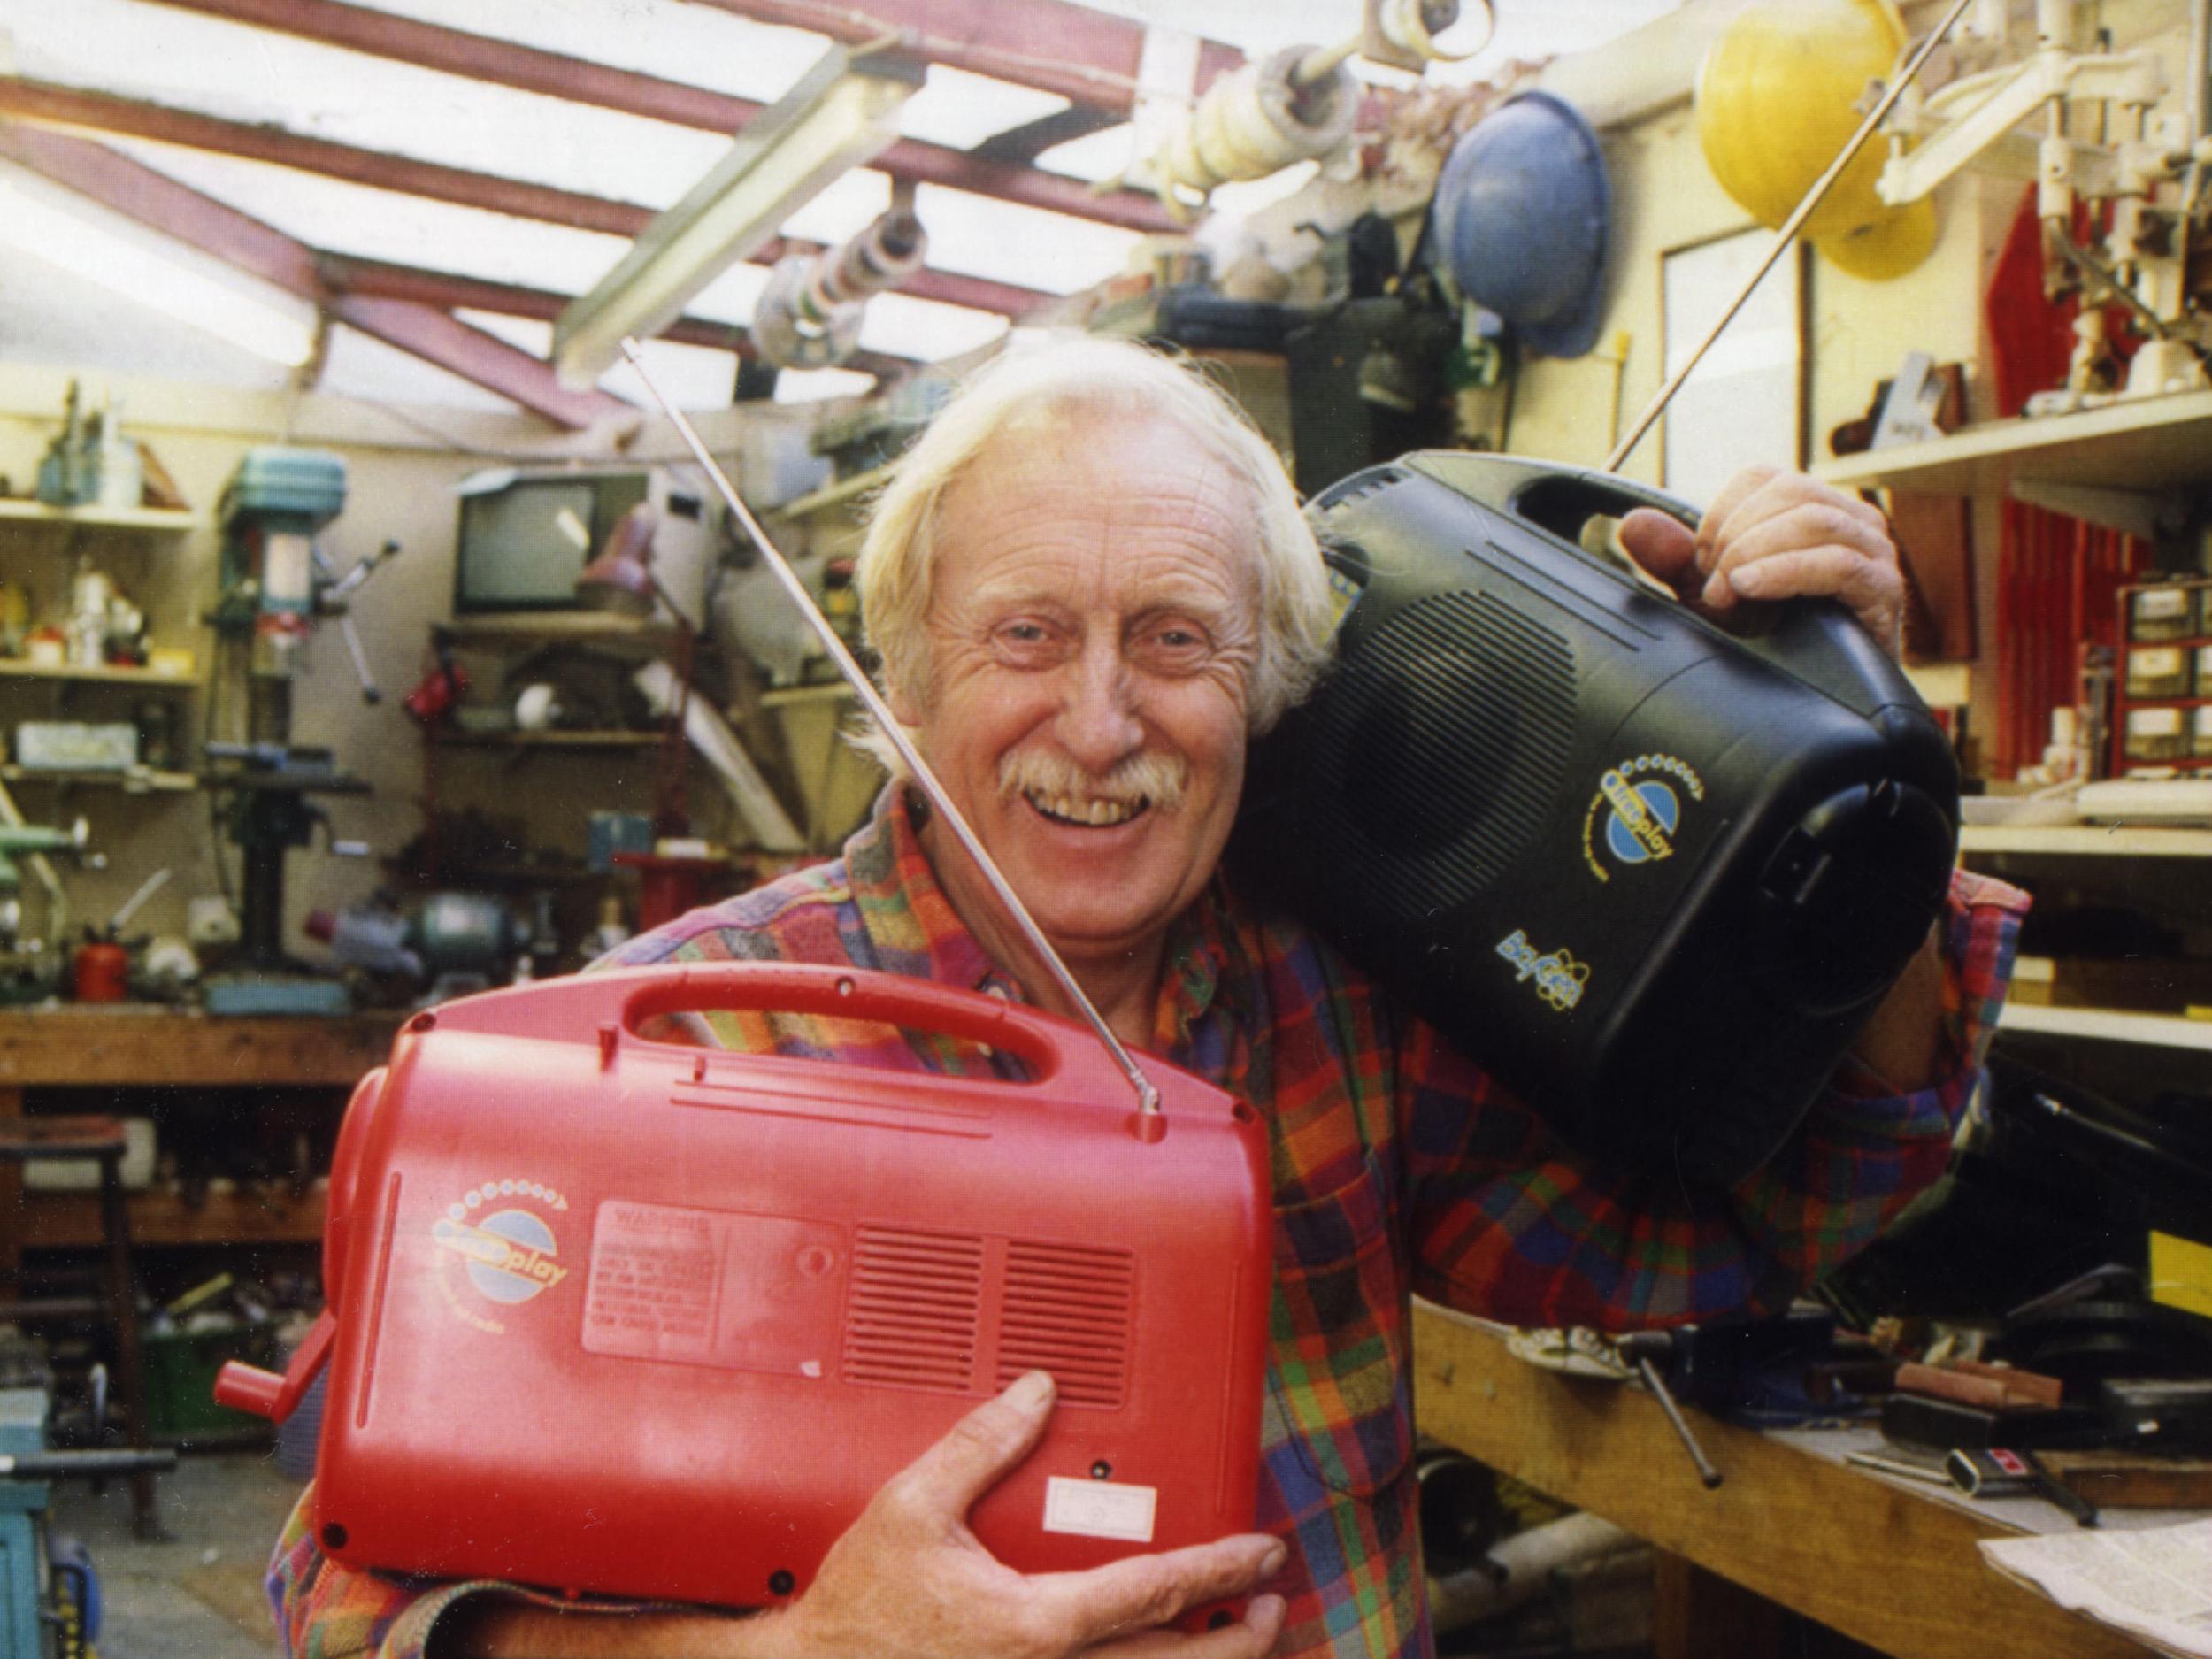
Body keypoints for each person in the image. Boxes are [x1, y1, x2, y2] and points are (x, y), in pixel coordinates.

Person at [270, 338, 2026, 1659]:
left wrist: (1859, 807)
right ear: (902, 674)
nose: (1102, 724)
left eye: (1174, 638)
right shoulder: (653, 1047)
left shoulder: (1337, 1008)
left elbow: (1775, 1218)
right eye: (1028, 634)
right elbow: (341, 1600)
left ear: (1261, 682)